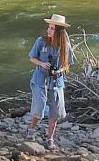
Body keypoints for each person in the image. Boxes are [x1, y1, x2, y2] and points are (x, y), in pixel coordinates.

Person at [27, 13, 75, 151]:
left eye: (52, 28)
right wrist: (42, 64)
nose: (48, 30)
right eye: (49, 27)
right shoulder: (41, 41)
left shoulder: (65, 46)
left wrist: (59, 71)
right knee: (39, 107)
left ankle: (50, 139)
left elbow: (67, 65)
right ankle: (31, 131)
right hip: (40, 80)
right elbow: (32, 58)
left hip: (56, 82)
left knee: (55, 112)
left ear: (59, 31)